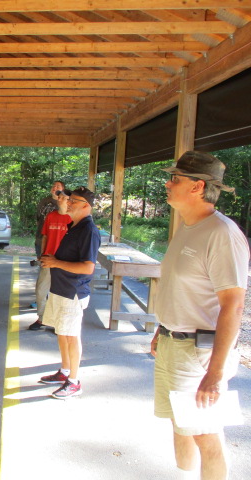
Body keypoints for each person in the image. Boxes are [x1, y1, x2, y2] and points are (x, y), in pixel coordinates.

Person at [151, 151, 248, 479]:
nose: (168, 183)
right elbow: (182, 292)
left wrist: (216, 374)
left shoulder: (223, 233)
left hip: (199, 354)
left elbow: (233, 305)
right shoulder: (188, 226)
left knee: (205, 435)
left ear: (198, 187)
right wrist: (160, 329)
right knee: (182, 427)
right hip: (172, 345)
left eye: (175, 178)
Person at [38, 186, 101, 399]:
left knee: (72, 336)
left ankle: (74, 381)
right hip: (60, 288)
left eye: (74, 200)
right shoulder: (74, 225)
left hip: (73, 292)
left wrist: (55, 262)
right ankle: (64, 371)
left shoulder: (89, 230)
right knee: (62, 332)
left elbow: (88, 267)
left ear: (86, 205)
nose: (69, 203)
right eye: (69, 199)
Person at [28, 188, 71, 330]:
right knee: (41, 290)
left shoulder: (72, 218)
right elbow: (45, 236)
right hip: (48, 259)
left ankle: (58, 322)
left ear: (69, 201)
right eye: (59, 197)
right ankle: (42, 319)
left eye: (62, 198)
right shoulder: (51, 216)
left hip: (64, 262)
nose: (59, 199)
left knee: (59, 294)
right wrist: (42, 254)